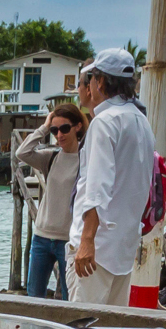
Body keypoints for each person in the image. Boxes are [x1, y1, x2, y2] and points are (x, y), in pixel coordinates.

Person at [69, 46, 158, 308]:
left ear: (101, 82)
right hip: (124, 247)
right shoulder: (141, 121)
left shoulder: (105, 122)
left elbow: (97, 186)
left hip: (98, 249)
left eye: (93, 78)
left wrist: (86, 241)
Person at [14, 101, 85, 300]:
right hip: (42, 237)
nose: (59, 135)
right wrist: (44, 127)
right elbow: (22, 153)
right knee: (34, 296)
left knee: (69, 296)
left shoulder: (87, 159)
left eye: (64, 128)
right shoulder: (51, 157)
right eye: (55, 130)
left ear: (77, 126)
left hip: (68, 240)